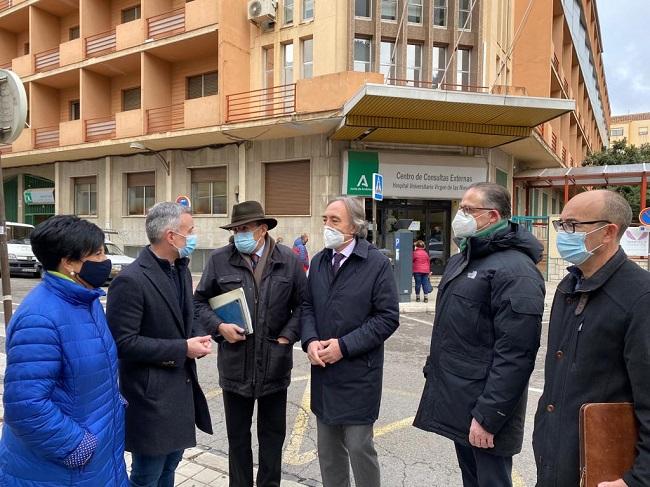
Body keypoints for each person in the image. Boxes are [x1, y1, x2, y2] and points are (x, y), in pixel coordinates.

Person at [414, 182, 545, 487]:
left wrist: (489, 415)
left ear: (493, 215)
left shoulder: (516, 271)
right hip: (461, 398)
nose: (460, 215)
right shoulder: (465, 258)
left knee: (491, 481)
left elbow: (516, 354)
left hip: (486, 410)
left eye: (468, 210)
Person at [533, 190, 650, 487]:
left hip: (607, 469)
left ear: (608, 232)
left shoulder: (639, 297)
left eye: (573, 226)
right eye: (562, 225)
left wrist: (637, 479)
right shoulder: (568, 287)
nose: (563, 234)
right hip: (556, 456)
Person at [0, 215, 128, 486]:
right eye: (97, 253)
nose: (105, 260)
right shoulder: (40, 318)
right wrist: (76, 446)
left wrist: (112, 405)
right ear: (68, 262)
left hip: (99, 456)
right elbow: (25, 406)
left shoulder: (85, 299)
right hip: (61, 469)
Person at [194, 200, 306, 487]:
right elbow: (199, 302)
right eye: (235, 229)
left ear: (263, 229)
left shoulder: (288, 260)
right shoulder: (220, 259)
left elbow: (304, 306)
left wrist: (287, 337)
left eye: (244, 228)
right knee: (238, 440)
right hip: (235, 366)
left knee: (272, 440)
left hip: (274, 365)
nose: (238, 234)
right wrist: (219, 327)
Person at [107, 202, 213, 487]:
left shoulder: (180, 268)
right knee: (147, 475)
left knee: (169, 469)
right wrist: (183, 349)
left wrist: (199, 335)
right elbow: (124, 343)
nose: (194, 236)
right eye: (190, 231)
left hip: (180, 392)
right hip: (150, 397)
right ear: (171, 236)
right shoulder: (131, 280)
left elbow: (187, 315)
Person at [301, 196, 399, 487]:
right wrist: (310, 341)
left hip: (358, 374)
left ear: (355, 227)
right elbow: (307, 306)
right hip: (323, 373)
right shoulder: (319, 261)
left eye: (335, 220)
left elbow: (387, 318)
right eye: (325, 219)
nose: (327, 226)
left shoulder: (376, 263)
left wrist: (343, 346)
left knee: (359, 447)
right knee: (328, 451)